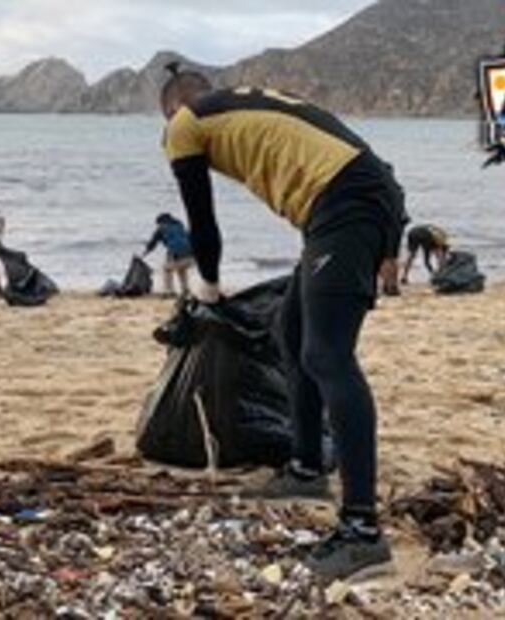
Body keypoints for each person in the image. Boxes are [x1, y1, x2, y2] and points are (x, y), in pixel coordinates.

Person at [160, 67, 407, 580]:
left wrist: (208, 286)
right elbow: (375, 167)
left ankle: (362, 530)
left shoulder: (184, 123)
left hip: (344, 204)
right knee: (288, 333)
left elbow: (201, 219)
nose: (171, 139)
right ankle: (307, 467)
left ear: (173, 109)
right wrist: (388, 243)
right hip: (354, 200)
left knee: (327, 355)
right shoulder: (253, 104)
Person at [143, 213, 196, 296]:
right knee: (181, 269)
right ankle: (185, 290)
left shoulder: (161, 229)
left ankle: (169, 290)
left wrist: (145, 253)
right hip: (192, 257)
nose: (158, 226)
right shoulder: (180, 226)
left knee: (166, 269)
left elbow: (152, 244)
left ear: (161, 222)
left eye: (158, 224)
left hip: (178, 256)